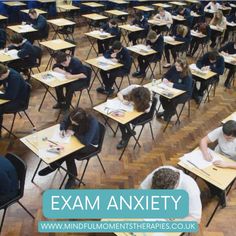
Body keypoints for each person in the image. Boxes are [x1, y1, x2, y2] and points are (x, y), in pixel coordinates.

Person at [38, 108, 100, 189]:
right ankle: (54, 165)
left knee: (69, 154)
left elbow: (86, 141)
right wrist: (62, 129)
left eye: (74, 122)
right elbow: (64, 121)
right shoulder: (75, 114)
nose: (71, 123)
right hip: (78, 139)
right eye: (71, 120)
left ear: (81, 121)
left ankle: (71, 177)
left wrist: (74, 133)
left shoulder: (92, 122)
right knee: (62, 147)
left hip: (90, 145)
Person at [199, 120, 236, 206]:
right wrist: (205, 152)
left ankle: (221, 192)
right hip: (217, 157)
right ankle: (217, 191)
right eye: (224, 136)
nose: (225, 139)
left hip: (232, 162)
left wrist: (227, 164)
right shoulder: (221, 130)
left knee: (227, 182)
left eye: (229, 138)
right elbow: (203, 140)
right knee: (203, 173)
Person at [116, 85, 152, 149]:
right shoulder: (133, 87)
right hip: (130, 110)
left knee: (124, 119)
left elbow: (147, 110)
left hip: (142, 114)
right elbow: (119, 93)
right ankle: (128, 133)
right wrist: (123, 100)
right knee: (120, 118)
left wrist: (135, 105)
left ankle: (125, 136)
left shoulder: (148, 95)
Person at [0, 64, 28, 137]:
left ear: (2, 75)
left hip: (19, 102)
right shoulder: (5, 72)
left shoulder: (14, 78)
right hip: (12, 97)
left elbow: (10, 96)